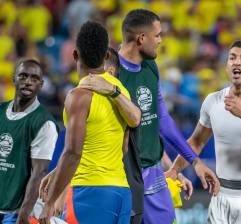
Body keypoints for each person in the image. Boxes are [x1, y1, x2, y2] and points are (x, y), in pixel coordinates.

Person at [79, 9, 220, 224]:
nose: (161, 40)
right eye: (157, 35)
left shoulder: (150, 66)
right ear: (141, 38)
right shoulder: (110, 72)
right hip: (122, 176)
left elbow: (160, 120)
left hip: (153, 173)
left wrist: (191, 163)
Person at [168, 40, 241, 223]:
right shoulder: (213, 101)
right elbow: (197, 142)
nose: (237, 62)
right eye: (232, 58)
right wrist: (174, 169)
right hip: (221, 193)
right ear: (227, 66)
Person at [38, 21, 141, 224]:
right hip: (121, 192)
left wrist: (49, 202)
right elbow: (123, 147)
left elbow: (73, 153)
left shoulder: (79, 96)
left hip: (89, 193)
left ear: (75, 55)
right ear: (106, 56)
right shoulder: (120, 89)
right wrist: (57, 172)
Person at [0, 59, 58, 223]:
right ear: (13, 79)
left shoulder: (44, 123)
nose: (28, 82)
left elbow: (38, 173)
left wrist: (23, 215)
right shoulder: (0, 111)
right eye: (23, 76)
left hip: (15, 212)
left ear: (41, 84)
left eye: (34, 78)